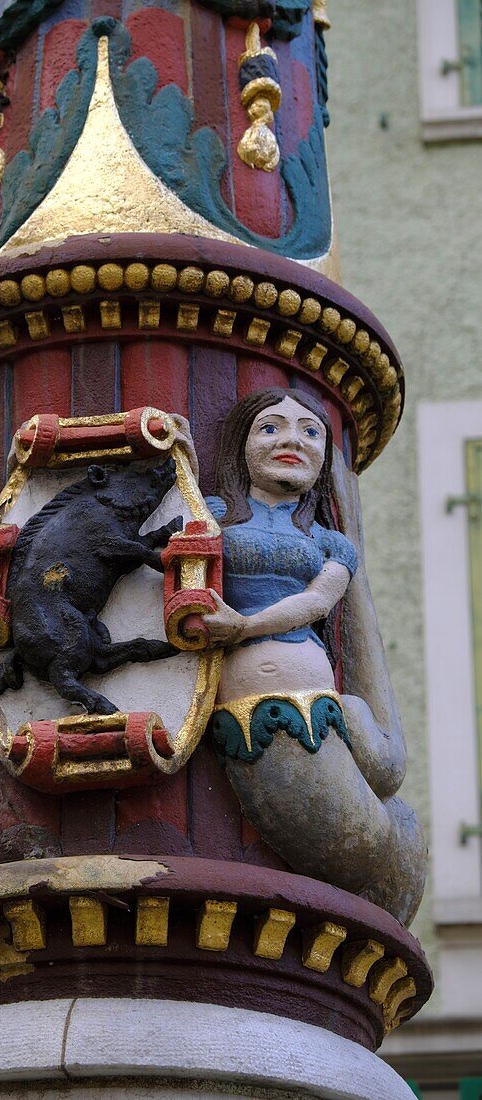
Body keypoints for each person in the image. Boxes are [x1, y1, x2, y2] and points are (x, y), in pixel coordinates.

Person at [195, 387, 426, 925]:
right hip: (244, 705)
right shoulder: (209, 515)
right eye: (270, 428)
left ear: (324, 459)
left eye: (310, 432)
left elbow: (318, 601)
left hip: (305, 702)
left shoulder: (331, 545)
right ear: (241, 445)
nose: (291, 441)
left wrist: (245, 625)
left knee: (378, 801)